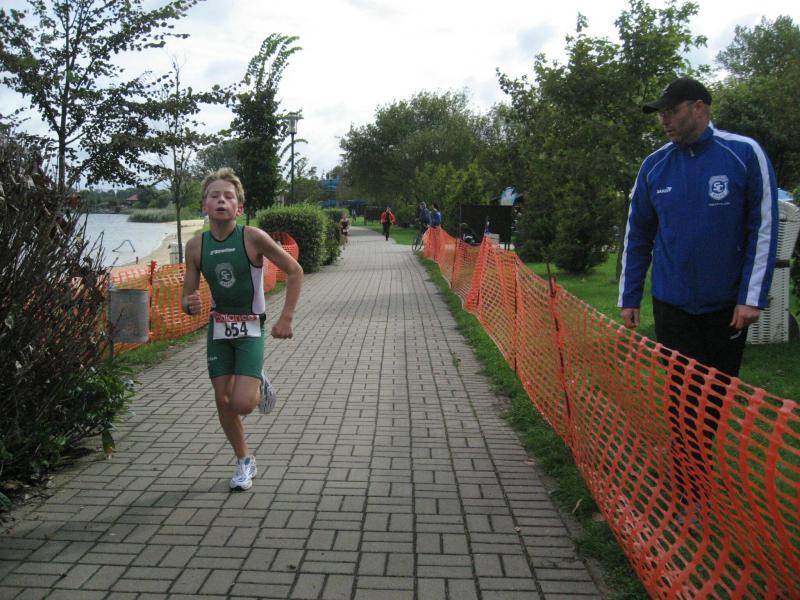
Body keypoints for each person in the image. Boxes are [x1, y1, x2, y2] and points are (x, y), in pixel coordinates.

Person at [618, 77, 778, 507]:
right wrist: (630, 296)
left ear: (699, 107)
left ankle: (695, 469)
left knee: (715, 395)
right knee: (682, 395)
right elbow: (638, 234)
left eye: (672, 111)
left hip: (726, 306)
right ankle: (690, 486)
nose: (665, 120)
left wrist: (751, 296)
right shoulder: (655, 166)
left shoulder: (743, 153)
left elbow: (763, 227)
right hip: (672, 303)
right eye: (661, 114)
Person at [182, 168, 303, 492]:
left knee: (243, 404)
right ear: (204, 205)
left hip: (250, 327)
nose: (221, 200)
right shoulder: (195, 246)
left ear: (239, 207)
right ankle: (244, 460)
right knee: (223, 400)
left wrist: (286, 318)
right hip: (219, 329)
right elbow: (187, 297)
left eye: (229, 196)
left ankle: (256, 379)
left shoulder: (252, 237)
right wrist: (189, 303)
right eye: (214, 196)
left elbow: (294, 271)